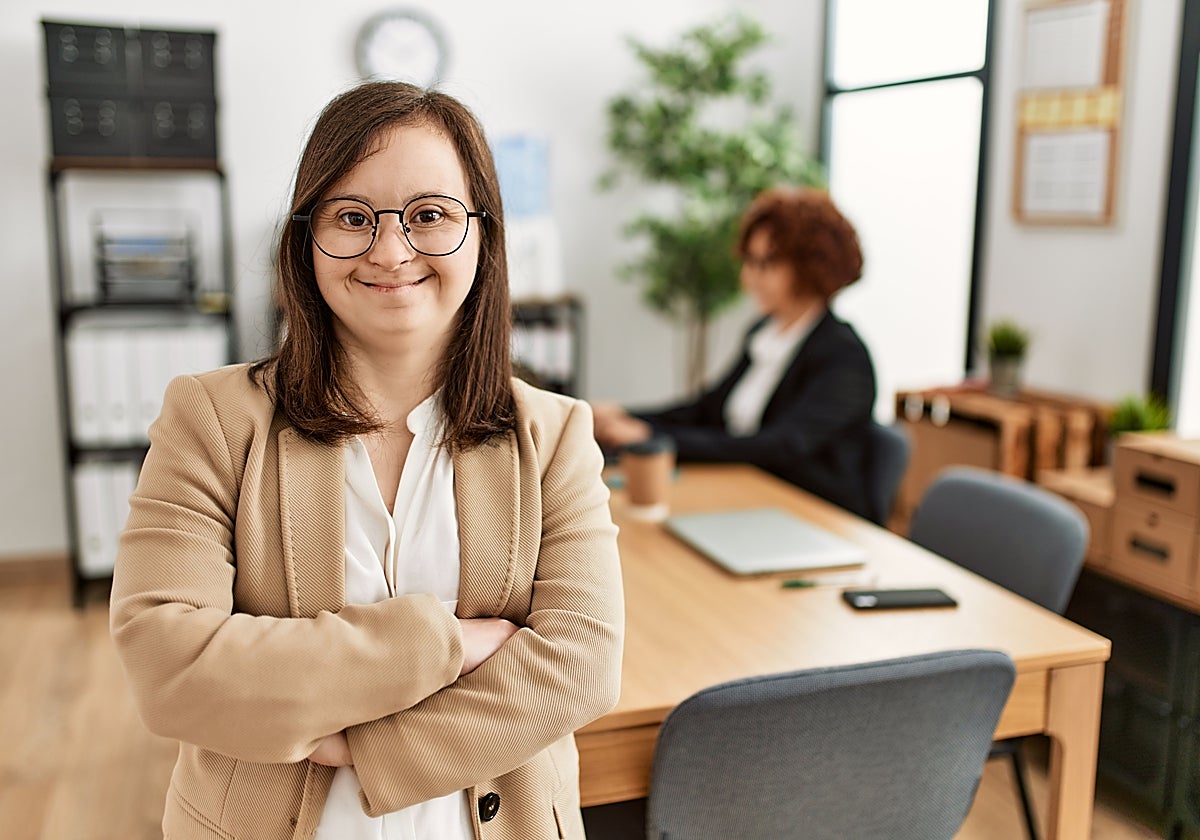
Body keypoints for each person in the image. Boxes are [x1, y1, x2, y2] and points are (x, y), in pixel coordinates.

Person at [109, 81, 624, 840]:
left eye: (429, 216)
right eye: (353, 217)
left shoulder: (552, 435)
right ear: (306, 237)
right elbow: (169, 667)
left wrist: (359, 744)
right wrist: (449, 643)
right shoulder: (211, 419)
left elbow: (582, 666)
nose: (390, 250)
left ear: (483, 234)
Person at [592, 186, 877, 518]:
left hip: (816, 515)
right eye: (749, 262)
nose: (749, 277)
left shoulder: (844, 357)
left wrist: (650, 435)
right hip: (752, 498)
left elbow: (778, 447)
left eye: (765, 264)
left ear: (810, 266)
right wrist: (627, 416)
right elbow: (707, 409)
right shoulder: (764, 334)